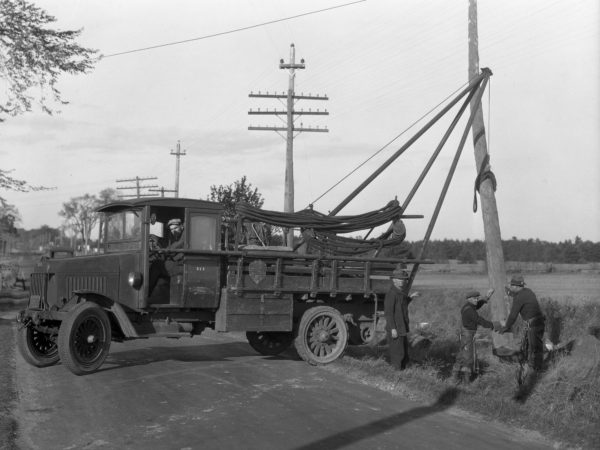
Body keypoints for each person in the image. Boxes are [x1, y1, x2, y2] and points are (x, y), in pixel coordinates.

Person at [499, 274, 545, 377]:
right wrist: (509, 292)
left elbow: (513, 316)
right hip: (539, 322)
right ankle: (533, 368)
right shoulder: (528, 291)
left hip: (533, 325)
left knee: (534, 348)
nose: (511, 287)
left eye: (512, 285)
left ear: (516, 286)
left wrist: (506, 327)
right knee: (532, 347)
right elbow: (517, 296)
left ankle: (535, 373)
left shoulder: (519, 297)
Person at [452, 289, 499, 383]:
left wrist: (487, 297)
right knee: (468, 358)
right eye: (474, 298)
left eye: (477, 298)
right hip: (467, 334)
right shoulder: (469, 310)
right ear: (469, 299)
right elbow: (479, 320)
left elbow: (477, 305)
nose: (476, 300)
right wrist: (493, 325)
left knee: (461, 356)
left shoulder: (468, 306)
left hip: (466, 333)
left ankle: (454, 379)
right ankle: (466, 382)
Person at [384, 267, 420, 370]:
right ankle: (396, 374)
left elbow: (402, 305)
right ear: (394, 280)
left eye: (404, 279)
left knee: (404, 352)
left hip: (402, 327)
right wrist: (393, 329)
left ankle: (402, 372)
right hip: (396, 329)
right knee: (398, 353)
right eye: (400, 279)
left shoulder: (400, 292)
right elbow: (389, 313)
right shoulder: (391, 294)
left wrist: (411, 297)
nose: (402, 281)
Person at [148, 218, 185, 297]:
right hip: (176, 262)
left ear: (181, 226)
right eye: (171, 229)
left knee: (156, 265)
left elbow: (178, 245)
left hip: (182, 265)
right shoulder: (174, 237)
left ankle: (147, 293)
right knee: (157, 261)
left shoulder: (184, 236)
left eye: (175, 228)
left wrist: (164, 250)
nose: (173, 231)